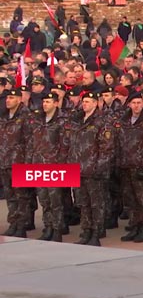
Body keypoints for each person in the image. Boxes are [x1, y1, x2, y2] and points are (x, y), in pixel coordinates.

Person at [65, 92, 115, 246]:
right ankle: (86, 231)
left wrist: (99, 168)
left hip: (93, 170)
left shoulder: (102, 122)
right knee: (83, 203)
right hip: (78, 169)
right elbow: (71, 145)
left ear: (96, 103)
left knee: (96, 204)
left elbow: (106, 149)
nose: (84, 104)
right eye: (83, 101)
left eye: (88, 101)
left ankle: (96, 232)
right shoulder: (78, 121)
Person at [114, 92, 143, 243]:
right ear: (129, 104)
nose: (137, 105)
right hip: (126, 165)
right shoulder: (123, 121)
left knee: (142, 199)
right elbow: (119, 143)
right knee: (130, 199)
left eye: (139, 102)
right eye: (134, 103)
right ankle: (133, 226)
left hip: (140, 166)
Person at [28, 93, 68, 242]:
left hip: (54, 165)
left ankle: (57, 229)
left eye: (48, 101)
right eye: (44, 101)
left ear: (56, 103)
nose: (45, 104)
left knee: (55, 200)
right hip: (38, 164)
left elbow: (65, 145)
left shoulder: (61, 121)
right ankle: (48, 226)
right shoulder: (38, 120)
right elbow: (32, 142)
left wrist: (61, 164)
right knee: (44, 200)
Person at [0, 89, 33, 237]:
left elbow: (30, 142)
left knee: (22, 196)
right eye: (7, 98)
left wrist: (27, 163)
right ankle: (13, 222)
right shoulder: (4, 117)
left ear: (19, 99)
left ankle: (22, 225)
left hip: (19, 162)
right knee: (10, 195)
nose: (8, 100)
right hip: (5, 162)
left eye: (12, 98)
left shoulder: (26, 116)